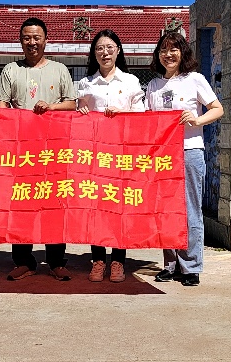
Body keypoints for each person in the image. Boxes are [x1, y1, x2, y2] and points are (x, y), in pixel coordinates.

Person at [0, 17, 78, 281]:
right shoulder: (11, 70)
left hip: (54, 151)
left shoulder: (60, 70)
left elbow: (72, 104)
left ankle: (56, 260)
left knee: (55, 205)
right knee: (22, 205)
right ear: (21, 42)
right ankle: (23, 261)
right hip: (23, 153)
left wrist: (52, 107)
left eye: (36, 37)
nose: (32, 42)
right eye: (27, 38)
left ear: (45, 40)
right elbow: (1, 105)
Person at [145, 31, 224, 287]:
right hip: (162, 156)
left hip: (189, 151)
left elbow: (218, 109)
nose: (168, 55)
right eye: (163, 50)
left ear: (182, 53)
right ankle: (170, 264)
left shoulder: (195, 79)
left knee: (190, 210)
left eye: (174, 49)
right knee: (165, 210)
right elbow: (147, 121)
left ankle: (191, 266)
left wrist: (197, 120)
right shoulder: (154, 86)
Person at [75, 29, 145, 283]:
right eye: (99, 48)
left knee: (118, 207)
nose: (105, 53)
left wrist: (123, 114)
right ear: (94, 53)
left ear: (118, 50)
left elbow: (142, 114)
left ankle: (118, 260)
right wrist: (82, 112)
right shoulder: (86, 83)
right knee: (95, 207)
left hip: (121, 155)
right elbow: (79, 117)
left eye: (109, 47)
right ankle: (97, 259)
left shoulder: (130, 81)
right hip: (94, 156)